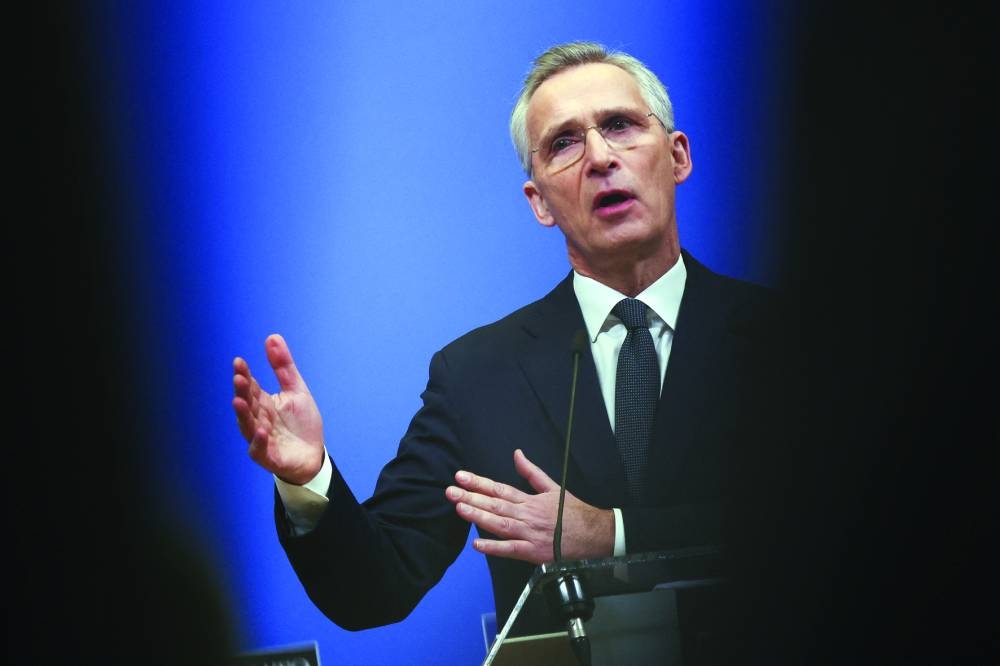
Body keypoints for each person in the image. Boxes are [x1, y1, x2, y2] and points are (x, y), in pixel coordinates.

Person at [232, 41, 790, 662]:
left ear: (677, 155)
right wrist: (306, 475)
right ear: (539, 202)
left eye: (620, 126)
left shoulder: (788, 340)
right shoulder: (477, 376)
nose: (601, 158)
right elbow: (374, 591)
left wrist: (612, 535)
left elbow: (832, 533)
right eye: (564, 144)